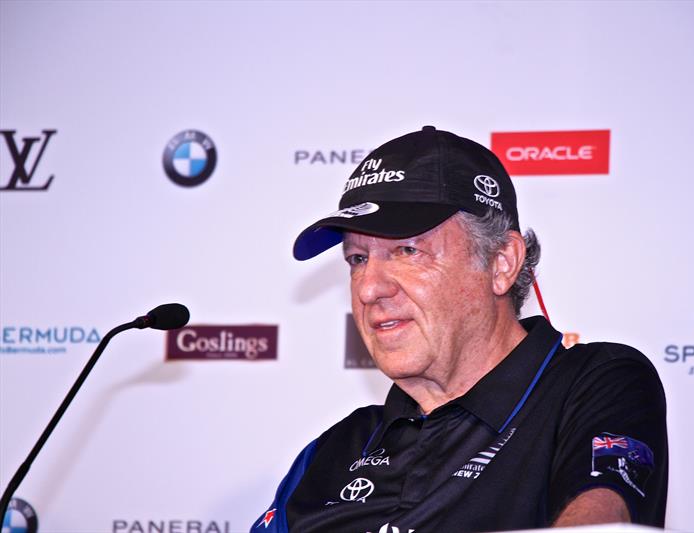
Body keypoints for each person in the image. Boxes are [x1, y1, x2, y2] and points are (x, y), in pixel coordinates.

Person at [251, 126, 668, 532]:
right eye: (357, 259)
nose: (369, 289)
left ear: (501, 263)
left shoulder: (593, 383)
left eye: (407, 251)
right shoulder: (334, 449)